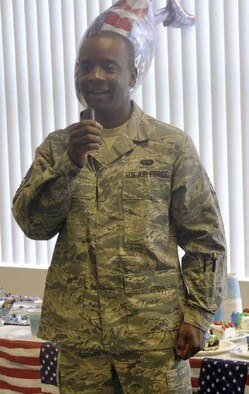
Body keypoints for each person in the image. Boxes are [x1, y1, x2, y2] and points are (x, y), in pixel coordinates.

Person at [12, 24, 226, 394]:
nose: (95, 76)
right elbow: (34, 224)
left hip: (153, 340)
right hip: (82, 343)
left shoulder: (170, 145)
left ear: (133, 74)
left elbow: (205, 239)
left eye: (109, 67)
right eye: (85, 66)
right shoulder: (58, 146)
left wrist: (198, 314)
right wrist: (69, 164)